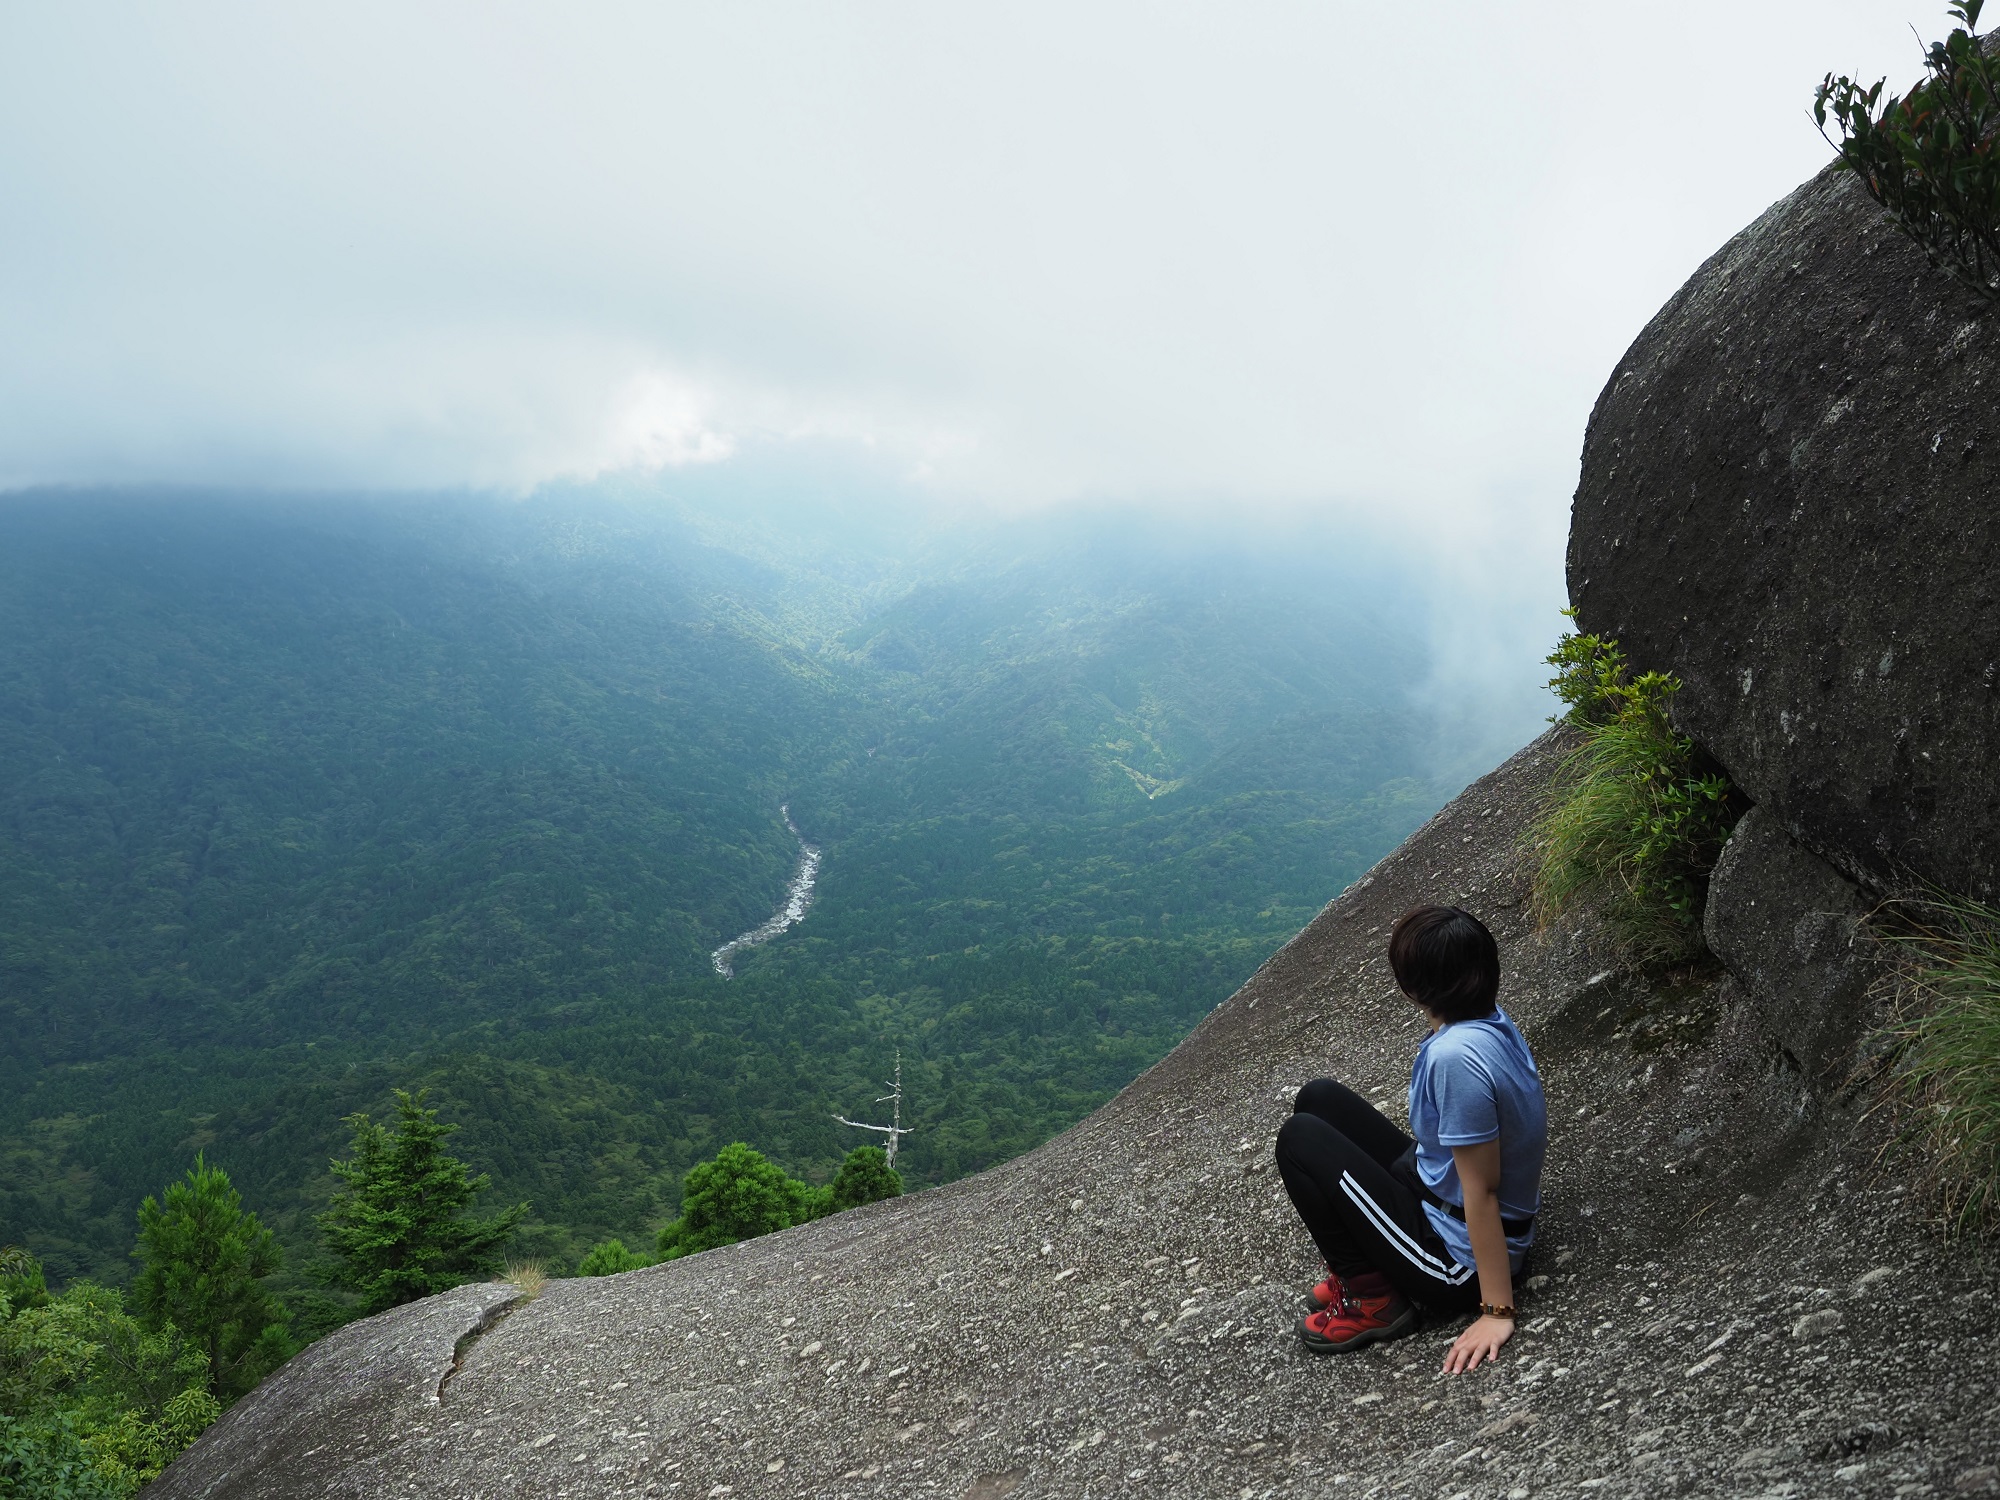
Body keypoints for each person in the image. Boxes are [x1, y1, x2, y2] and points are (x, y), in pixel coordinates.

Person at [1273, 904, 1547, 1373]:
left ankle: (1375, 1299)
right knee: (1318, 1099)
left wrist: (1496, 1311)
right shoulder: (1486, 1020)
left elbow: (1481, 1189)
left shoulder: (1455, 1058)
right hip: (1441, 1194)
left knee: (1298, 1140)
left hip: (1460, 1259)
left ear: (1411, 987)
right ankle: (1372, 1267)